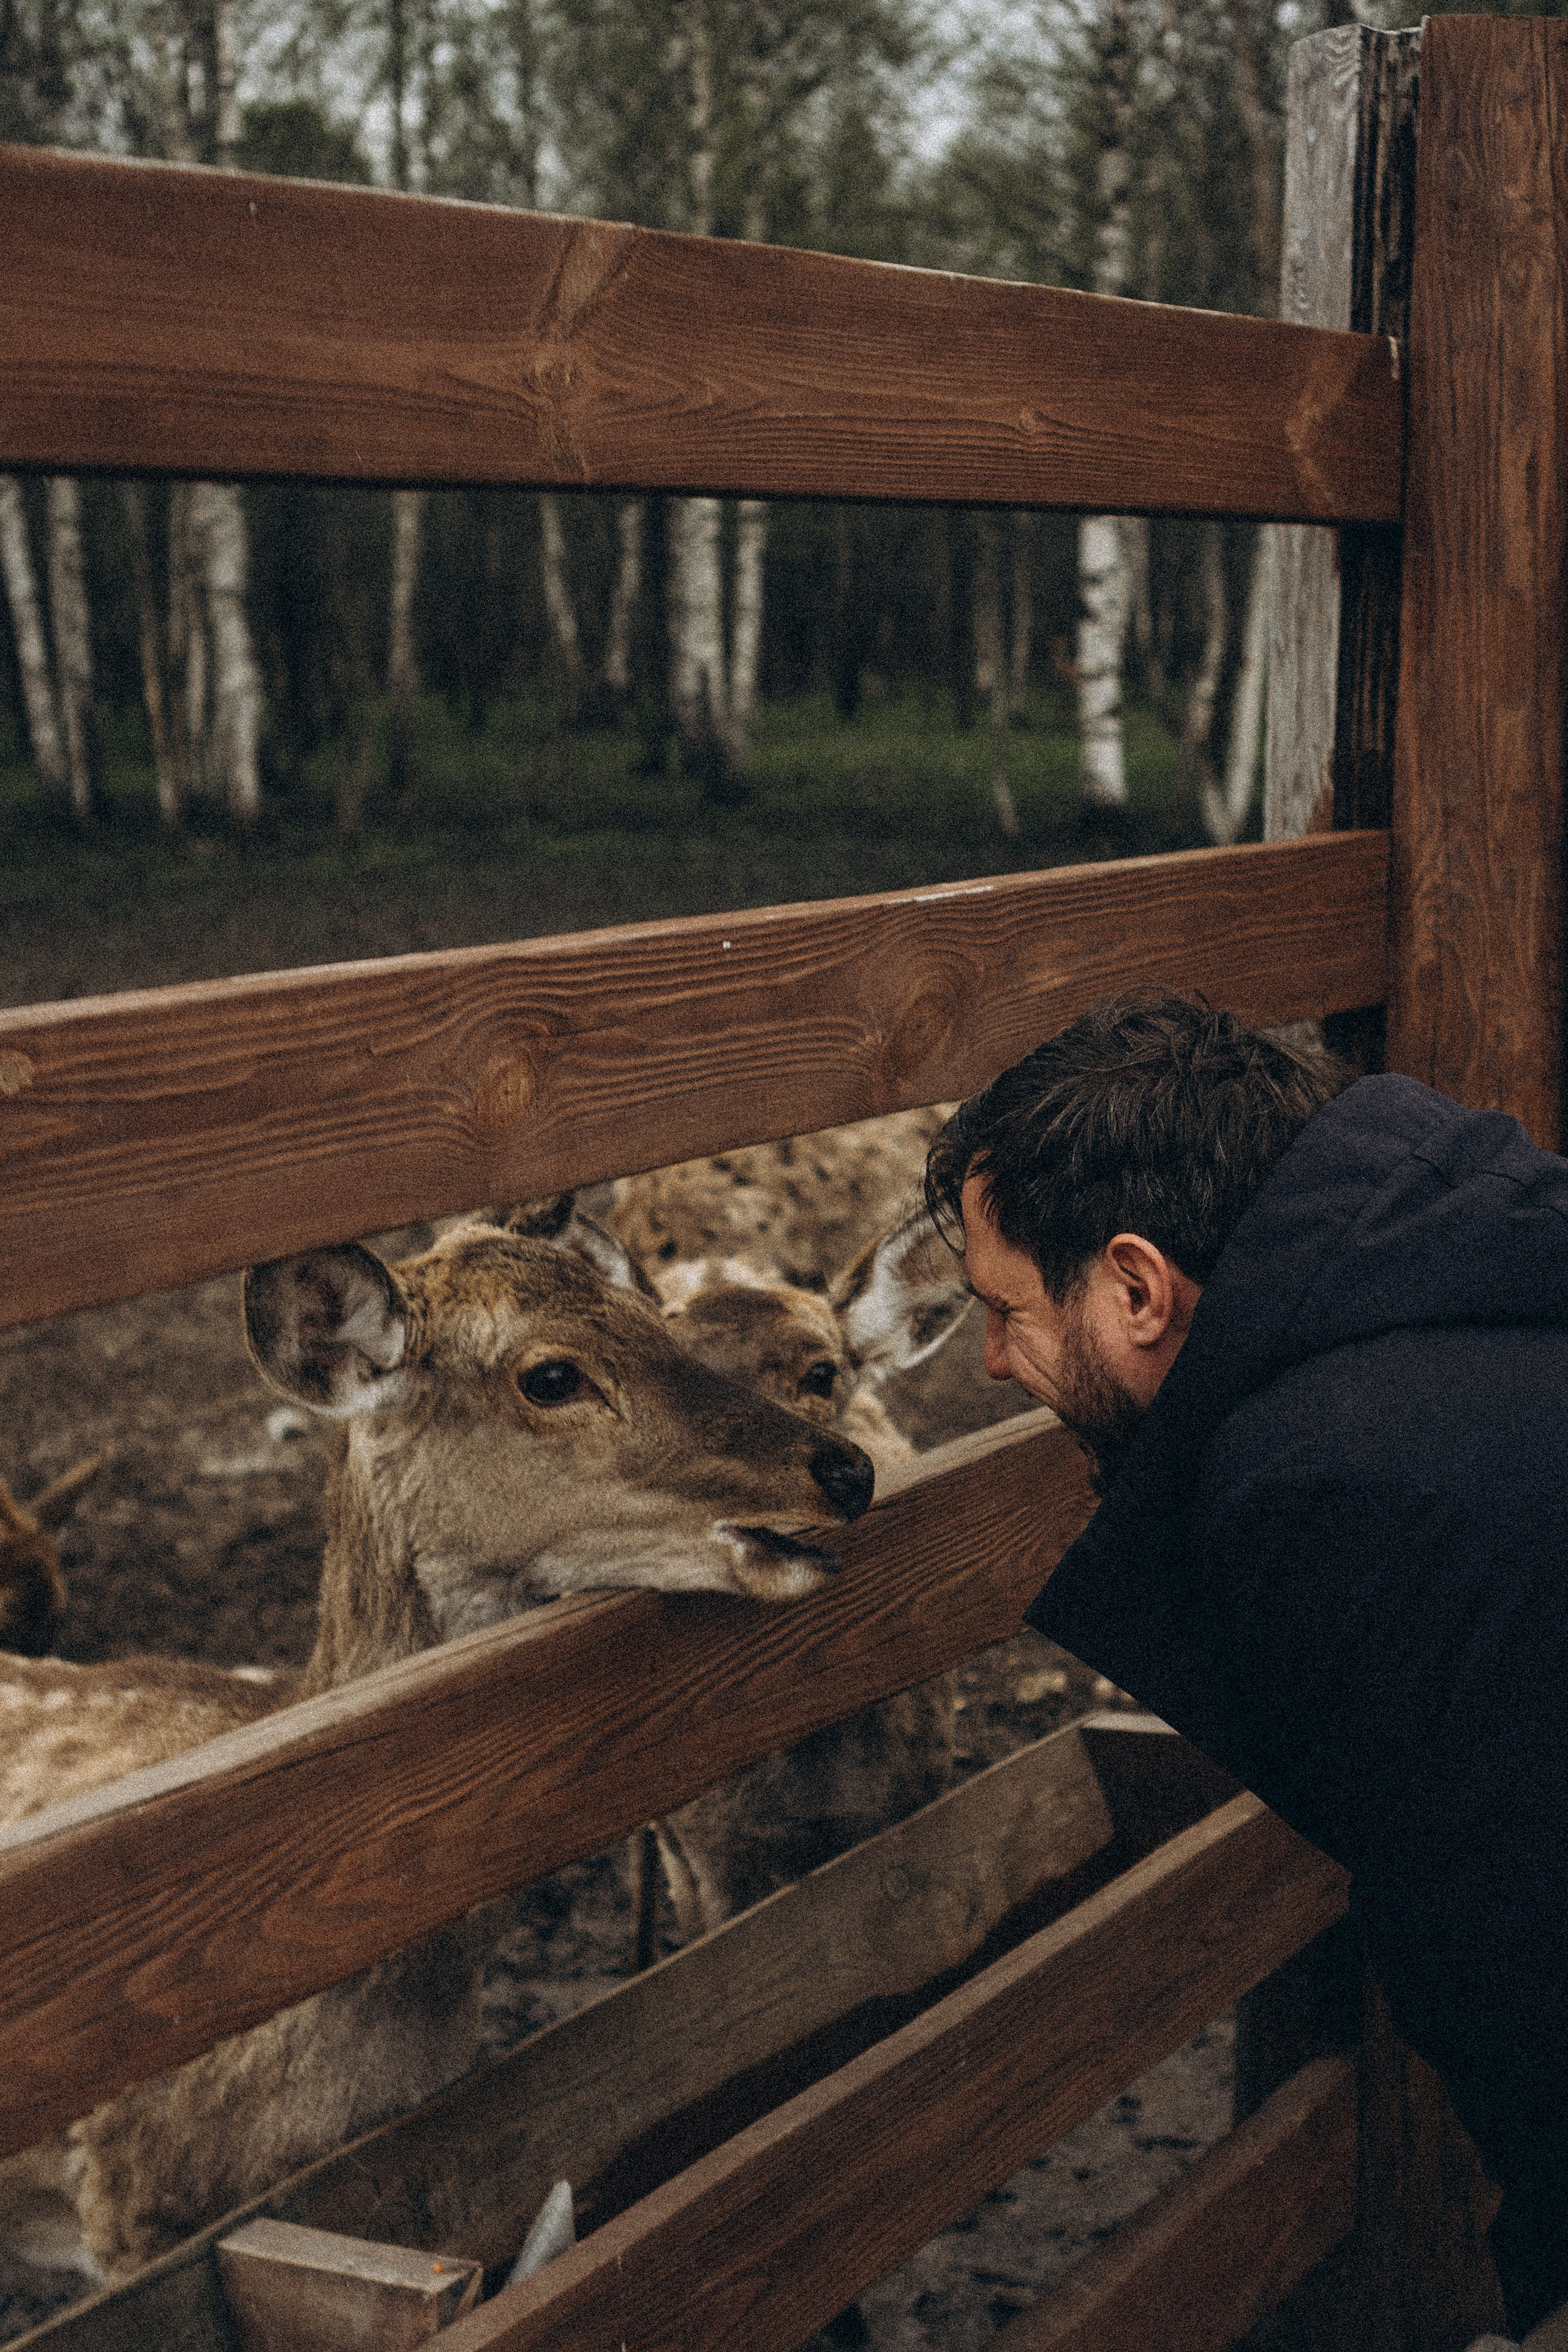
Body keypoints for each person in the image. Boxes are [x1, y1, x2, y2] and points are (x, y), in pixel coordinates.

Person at [924, 992, 1568, 2338]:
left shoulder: (1329, 1494)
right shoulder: (1482, 1268)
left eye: (1004, 1309)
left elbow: (1514, 1966)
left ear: (1137, 1287)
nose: (987, 1361)